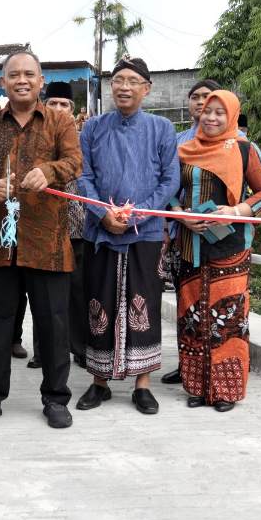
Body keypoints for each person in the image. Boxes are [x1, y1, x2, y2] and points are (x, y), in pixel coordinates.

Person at [0, 50, 82, 429]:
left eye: (29, 74)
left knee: (53, 326)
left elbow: (75, 163)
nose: (22, 80)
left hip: (48, 245)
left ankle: (56, 399)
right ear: (3, 81)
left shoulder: (60, 122)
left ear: (40, 80)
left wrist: (50, 171)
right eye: (14, 75)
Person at [75, 56, 179, 415]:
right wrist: (103, 213)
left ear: (146, 89)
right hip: (100, 230)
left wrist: (138, 213)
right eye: (118, 79)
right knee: (98, 301)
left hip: (145, 232)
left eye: (132, 81)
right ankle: (99, 382)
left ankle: (143, 383)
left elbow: (170, 180)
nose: (123, 86)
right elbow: (83, 177)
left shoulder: (162, 128)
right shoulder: (92, 128)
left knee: (144, 303)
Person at [173, 89, 261, 411]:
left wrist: (236, 211)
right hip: (189, 245)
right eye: (207, 111)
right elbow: (167, 190)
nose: (212, 117)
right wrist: (181, 215)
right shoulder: (183, 149)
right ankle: (196, 387)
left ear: (231, 115)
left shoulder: (246, 149)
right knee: (191, 317)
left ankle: (225, 391)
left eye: (220, 112)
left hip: (230, 246)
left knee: (227, 318)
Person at [160, 78, 221, 385]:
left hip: (225, 238)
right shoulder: (179, 142)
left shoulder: (234, 141)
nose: (201, 102)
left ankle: (221, 366)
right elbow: (168, 184)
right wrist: (177, 218)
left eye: (208, 97)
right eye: (195, 97)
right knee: (187, 303)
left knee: (221, 302)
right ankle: (188, 367)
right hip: (184, 234)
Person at [42, 81, 88, 369]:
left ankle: (81, 347)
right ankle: (42, 349)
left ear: (72, 110)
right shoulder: (36, 137)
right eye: (53, 103)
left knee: (79, 291)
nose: (58, 109)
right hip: (44, 229)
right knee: (44, 294)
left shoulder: (84, 139)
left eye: (64, 105)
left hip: (79, 227)